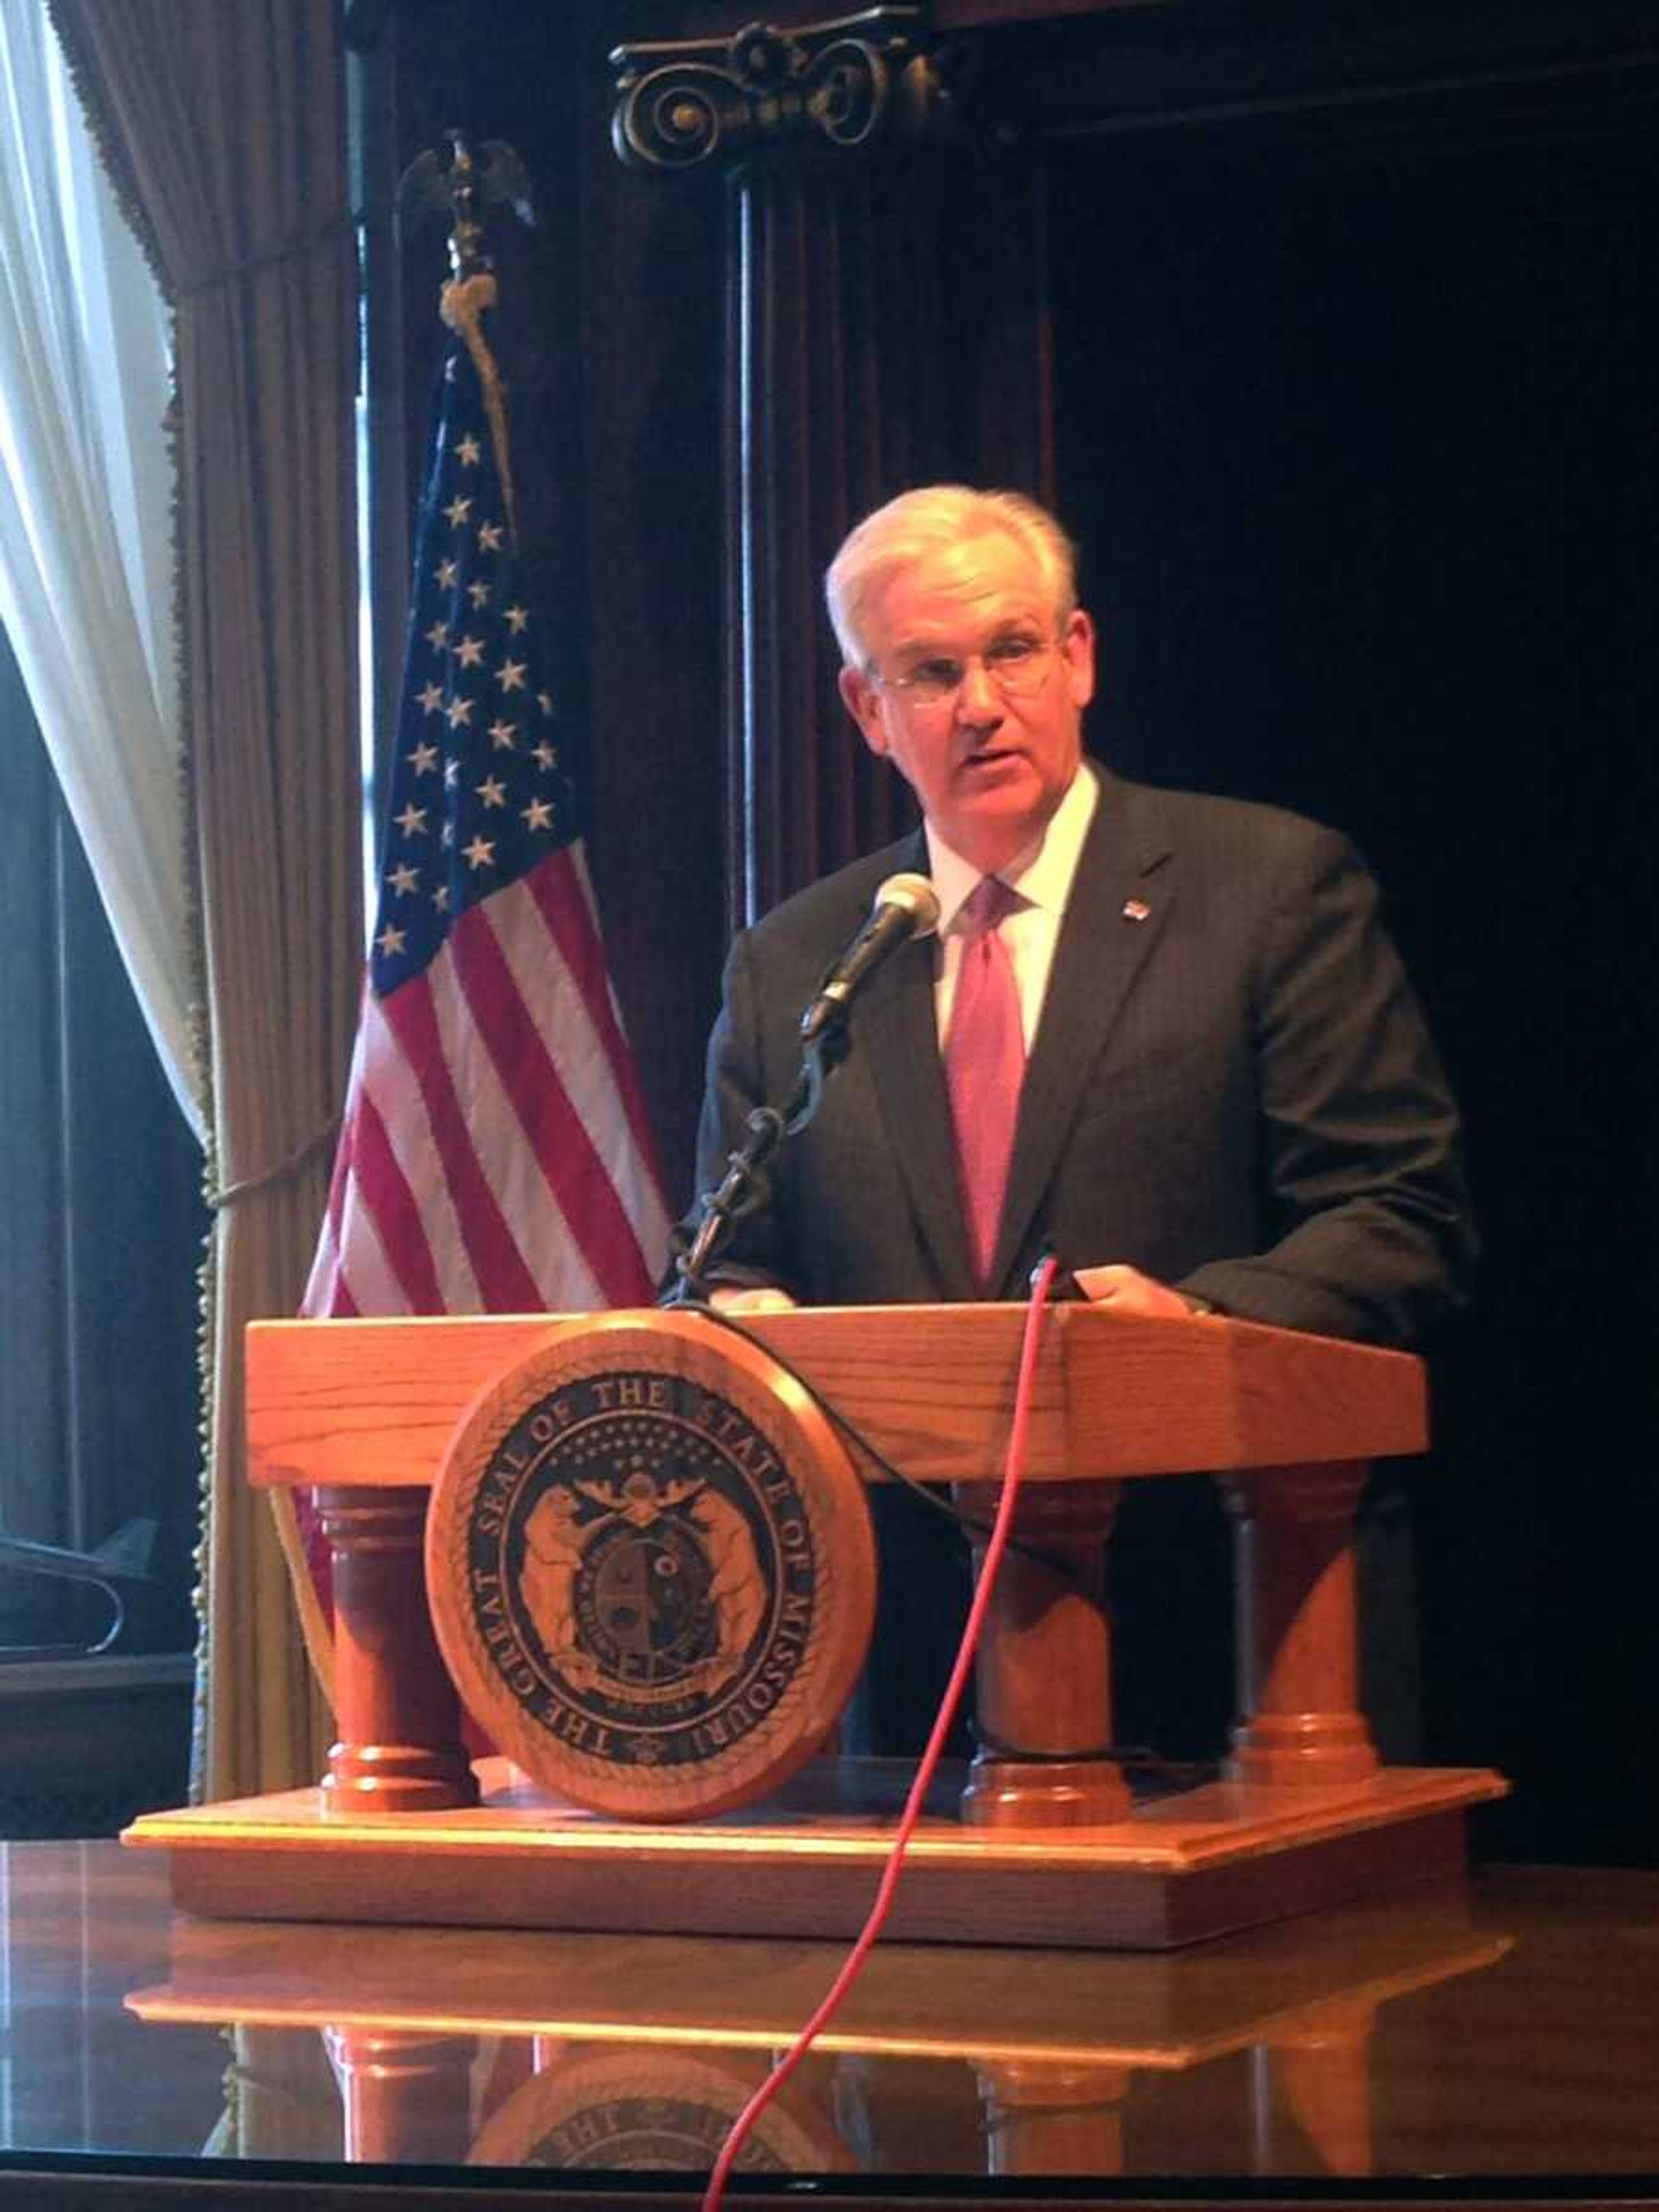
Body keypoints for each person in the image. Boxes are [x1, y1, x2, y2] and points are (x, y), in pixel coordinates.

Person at [677, 484, 1475, 1751]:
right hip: (899, 1678)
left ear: (1079, 657)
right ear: (866, 711)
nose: (981, 704)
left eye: (1011, 652)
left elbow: (1400, 1216)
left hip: (1226, 1624)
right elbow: (734, 1261)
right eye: (930, 673)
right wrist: (749, 1322)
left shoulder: (1266, 890)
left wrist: (1203, 1327)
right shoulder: (800, 962)